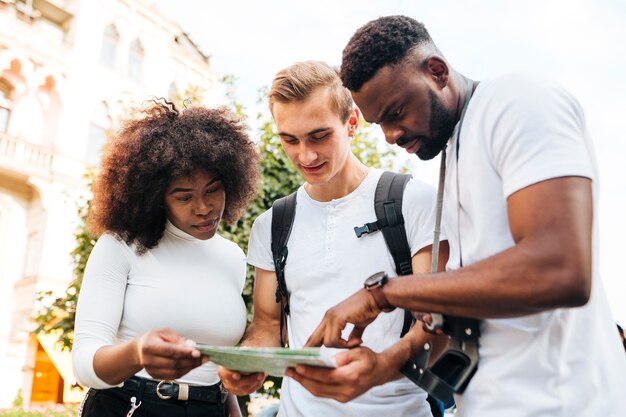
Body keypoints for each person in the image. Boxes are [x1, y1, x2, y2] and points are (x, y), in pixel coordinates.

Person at [290, 15, 626, 417]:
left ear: (437, 71)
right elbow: (460, 313)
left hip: (563, 403)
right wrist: (382, 367)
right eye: (380, 123)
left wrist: (382, 292)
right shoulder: (451, 155)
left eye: (396, 111)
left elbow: (561, 270)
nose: (391, 135)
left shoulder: (520, 101)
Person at [218, 61, 447, 417]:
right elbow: (266, 325)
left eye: (319, 136)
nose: (304, 155)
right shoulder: (272, 224)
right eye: (289, 140)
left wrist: (381, 367)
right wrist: (248, 363)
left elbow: (441, 321)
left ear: (352, 122)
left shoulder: (412, 202)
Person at [72, 101, 259, 417]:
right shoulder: (120, 246)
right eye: (184, 196)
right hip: (132, 404)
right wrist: (137, 352)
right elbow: (84, 363)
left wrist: (233, 409)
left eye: (213, 190)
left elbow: (214, 363)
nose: (203, 207)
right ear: (155, 196)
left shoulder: (233, 258)